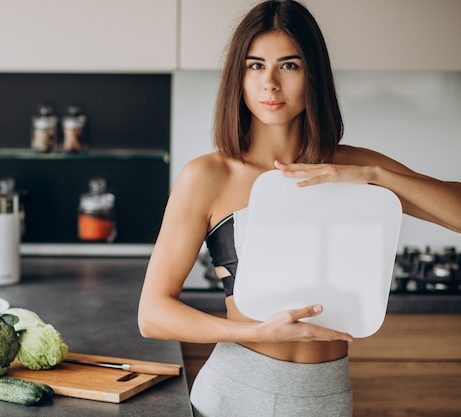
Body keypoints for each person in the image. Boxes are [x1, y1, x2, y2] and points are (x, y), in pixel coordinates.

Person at [137, 0, 461, 416]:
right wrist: (254, 330)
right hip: (235, 393)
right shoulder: (208, 175)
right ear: (239, 75)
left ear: (314, 76)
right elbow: (153, 314)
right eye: (255, 65)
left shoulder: (356, 169)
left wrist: (376, 177)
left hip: (326, 397)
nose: (269, 83)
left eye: (289, 66)